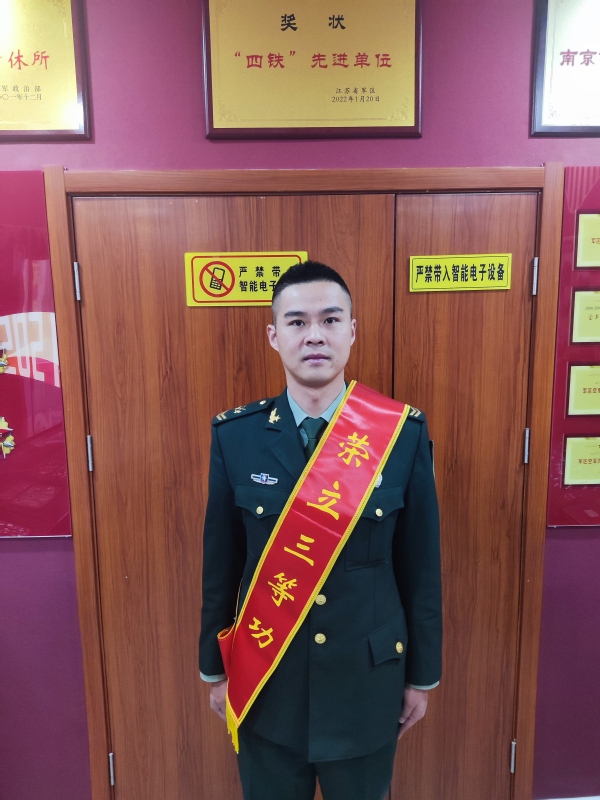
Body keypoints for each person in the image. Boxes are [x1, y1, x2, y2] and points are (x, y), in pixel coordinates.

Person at [199, 261, 442, 800]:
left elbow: (421, 567)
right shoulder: (236, 437)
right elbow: (221, 565)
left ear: (351, 331)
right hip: (268, 682)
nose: (314, 335)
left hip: (367, 684)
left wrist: (422, 676)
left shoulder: (400, 434)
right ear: (274, 336)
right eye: (297, 322)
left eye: (330, 320)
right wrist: (214, 671)